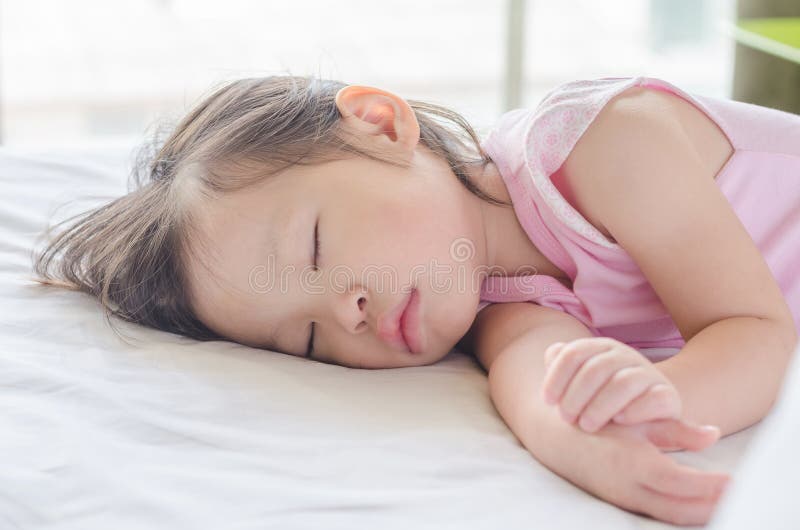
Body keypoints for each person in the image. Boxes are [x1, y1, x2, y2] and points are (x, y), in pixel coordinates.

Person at [31, 74, 800, 526]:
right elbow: (533, 387)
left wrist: (663, 398)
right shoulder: (492, 300)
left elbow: (755, 331)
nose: (346, 313)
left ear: (378, 124)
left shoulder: (604, 145)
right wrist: (588, 439)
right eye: (307, 341)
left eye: (316, 250)